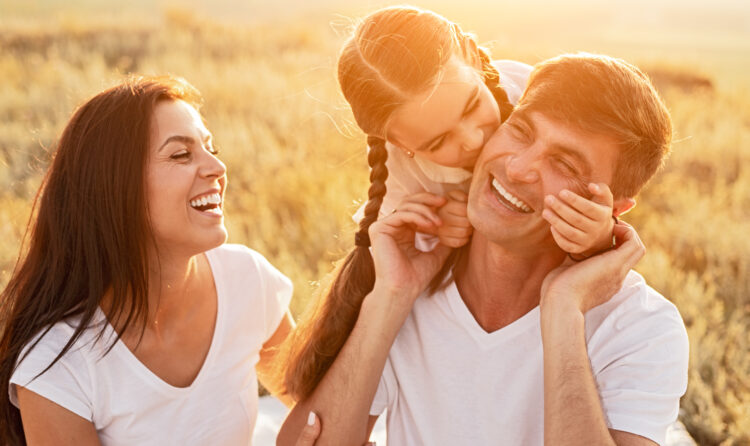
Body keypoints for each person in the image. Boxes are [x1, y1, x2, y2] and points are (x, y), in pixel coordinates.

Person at [277, 54, 689, 446]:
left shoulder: (643, 330)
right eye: (521, 131)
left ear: (613, 209)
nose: (517, 168)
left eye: (564, 164)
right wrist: (392, 295)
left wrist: (564, 309)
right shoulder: (413, 272)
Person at [280, 5, 618, 404]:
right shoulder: (403, 174)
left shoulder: (531, 92)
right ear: (402, 146)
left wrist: (598, 237)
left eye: (472, 106)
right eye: (437, 143)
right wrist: (442, 223)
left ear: (473, 60)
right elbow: (397, 252)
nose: (473, 140)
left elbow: (597, 174)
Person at [0, 76, 294, 445]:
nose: (217, 168)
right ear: (116, 187)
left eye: (210, 148)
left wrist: (385, 290)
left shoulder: (246, 278)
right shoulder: (57, 363)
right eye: (181, 154)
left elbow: (319, 412)